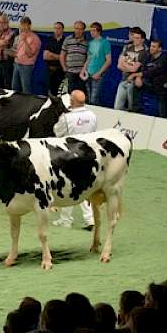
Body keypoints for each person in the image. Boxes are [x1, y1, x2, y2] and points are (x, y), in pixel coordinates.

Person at [52, 90, 96, 230]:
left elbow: (57, 132)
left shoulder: (67, 117)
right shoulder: (92, 115)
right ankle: (89, 218)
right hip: (87, 153)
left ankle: (66, 219)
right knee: (83, 186)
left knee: (69, 187)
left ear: (73, 101)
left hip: (70, 155)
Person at [114, 27, 147, 111]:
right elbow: (119, 65)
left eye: (137, 38)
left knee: (132, 107)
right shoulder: (128, 48)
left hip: (133, 82)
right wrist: (127, 66)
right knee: (117, 107)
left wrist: (125, 64)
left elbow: (134, 69)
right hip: (123, 80)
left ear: (142, 40)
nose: (135, 40)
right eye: (134, 37)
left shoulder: (144, 53)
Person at [139, 38, 167, 118]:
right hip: (148, 88)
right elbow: (143, 69)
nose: (151, 48)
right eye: (151, 46)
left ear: (160, 49)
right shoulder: (147, 57)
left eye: (154, 47)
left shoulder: (164, 59)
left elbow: (154, 72)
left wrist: (141, 75)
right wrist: (139, 76)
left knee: (161, 114)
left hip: (160, 91)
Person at [84, 22, 112, 105]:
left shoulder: (105, 42)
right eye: (90, 30)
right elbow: (88, 58)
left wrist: (99, 73)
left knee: (94, 99)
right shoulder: (90, 43)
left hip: (97, 74)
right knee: (88, 99)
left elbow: (108, 60)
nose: (91, 32)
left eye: (94, 30)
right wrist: (84, 70)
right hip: (88, 73)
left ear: (99, 31)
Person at [12, 17, 41, 93]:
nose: (23, 27)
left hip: (26, 67)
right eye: (21, 25)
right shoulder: (19, 36)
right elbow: (16, 49)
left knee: (25, 88)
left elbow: (30, 54)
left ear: (29, 26)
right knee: (14, 87)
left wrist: (25, 40)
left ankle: (26, 103)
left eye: (25, 25)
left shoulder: (35, 38)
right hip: (16, 64)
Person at [60, 20, 88, 94]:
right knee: (68, 93)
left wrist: (84, 70)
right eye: (76, 28)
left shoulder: (87, 42)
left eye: (80, 29)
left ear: (83, 30)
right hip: (69, 72)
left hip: (81, 73)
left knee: (80, 94)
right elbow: (62, 55)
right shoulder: (68, 39)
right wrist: (64, 68)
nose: (78, 31)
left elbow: (88, 58)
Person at [42, 22, 67, 97]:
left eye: (59, 28)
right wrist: (60, 56)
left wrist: (52, 55)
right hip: (50, 70)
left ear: (62, 29)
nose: (56, 30)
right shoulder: (50, 40)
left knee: (60, 92)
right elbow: (45, 56)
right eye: (55, 28)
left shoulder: (66, 41)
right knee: (50, 92)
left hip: (61, 71)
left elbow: (66, 57)